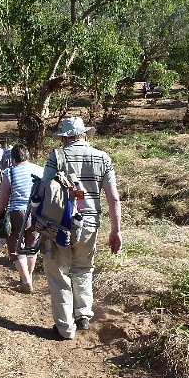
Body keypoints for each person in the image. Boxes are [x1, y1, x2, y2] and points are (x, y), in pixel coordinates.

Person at [40, 116, 122, 339]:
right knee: (84, 268)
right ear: (84, 134)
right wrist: (116, 231)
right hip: (90, 223)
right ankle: (83, 315)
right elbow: (113, 199)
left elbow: (44, 188)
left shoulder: (56, 157)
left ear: (65, 137)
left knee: (59, 273)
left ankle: (65, 328)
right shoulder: (103, 158)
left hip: (61, 224)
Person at [0, 144, 43, 293]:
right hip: (37, 212)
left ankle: (26, 281)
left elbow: (2, 199)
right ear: (27, 155)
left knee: (16, 248)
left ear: (13, 157)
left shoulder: (10, 172)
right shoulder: (40, 170)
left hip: (16, 212)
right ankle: (27, 277)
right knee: (31, 247)